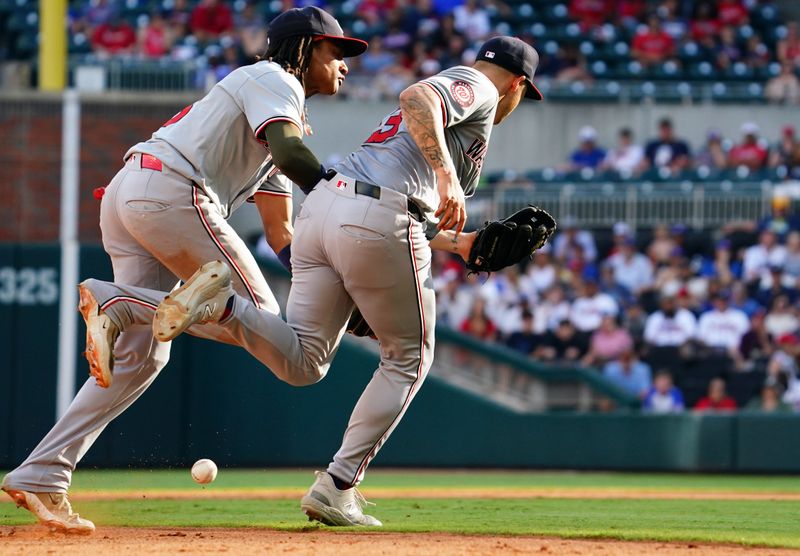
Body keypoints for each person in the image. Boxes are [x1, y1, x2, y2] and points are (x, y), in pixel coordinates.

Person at [72, 36, 546, 527]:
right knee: (409, 357)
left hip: (326, 207)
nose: (517, 104)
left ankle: (206, 304)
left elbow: (391, 191)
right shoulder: (482, 88)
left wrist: (462, 243)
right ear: (518, 83)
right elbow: (417, 98)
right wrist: (447, 176)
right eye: (522, 96)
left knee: (302, 361)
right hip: (379, 216)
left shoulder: (464, 109)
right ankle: (339, 486)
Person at [1, 7, 368, 534]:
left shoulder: (277, 110)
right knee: (263, 321)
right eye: (337, 52)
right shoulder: (273, 78)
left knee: (142, 357)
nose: (345, 64)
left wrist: (342, 307)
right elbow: (291, 153)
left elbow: (281, 235)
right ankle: (122, 303)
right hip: (172, 191)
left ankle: (42, 473)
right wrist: (345, 198)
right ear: (306, 49)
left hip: (135, 192)